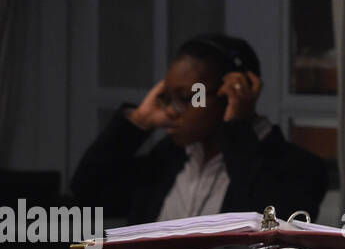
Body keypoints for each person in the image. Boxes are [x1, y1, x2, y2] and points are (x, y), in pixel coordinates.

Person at [72, 33, 327, 225]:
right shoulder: (168, 158)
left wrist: (237, 126)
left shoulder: (298, 169)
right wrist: (139, 121)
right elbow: (88, 193)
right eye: (167, 97)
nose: (171, 110)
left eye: (185, 98)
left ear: (231, 94)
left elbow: (267, 232)